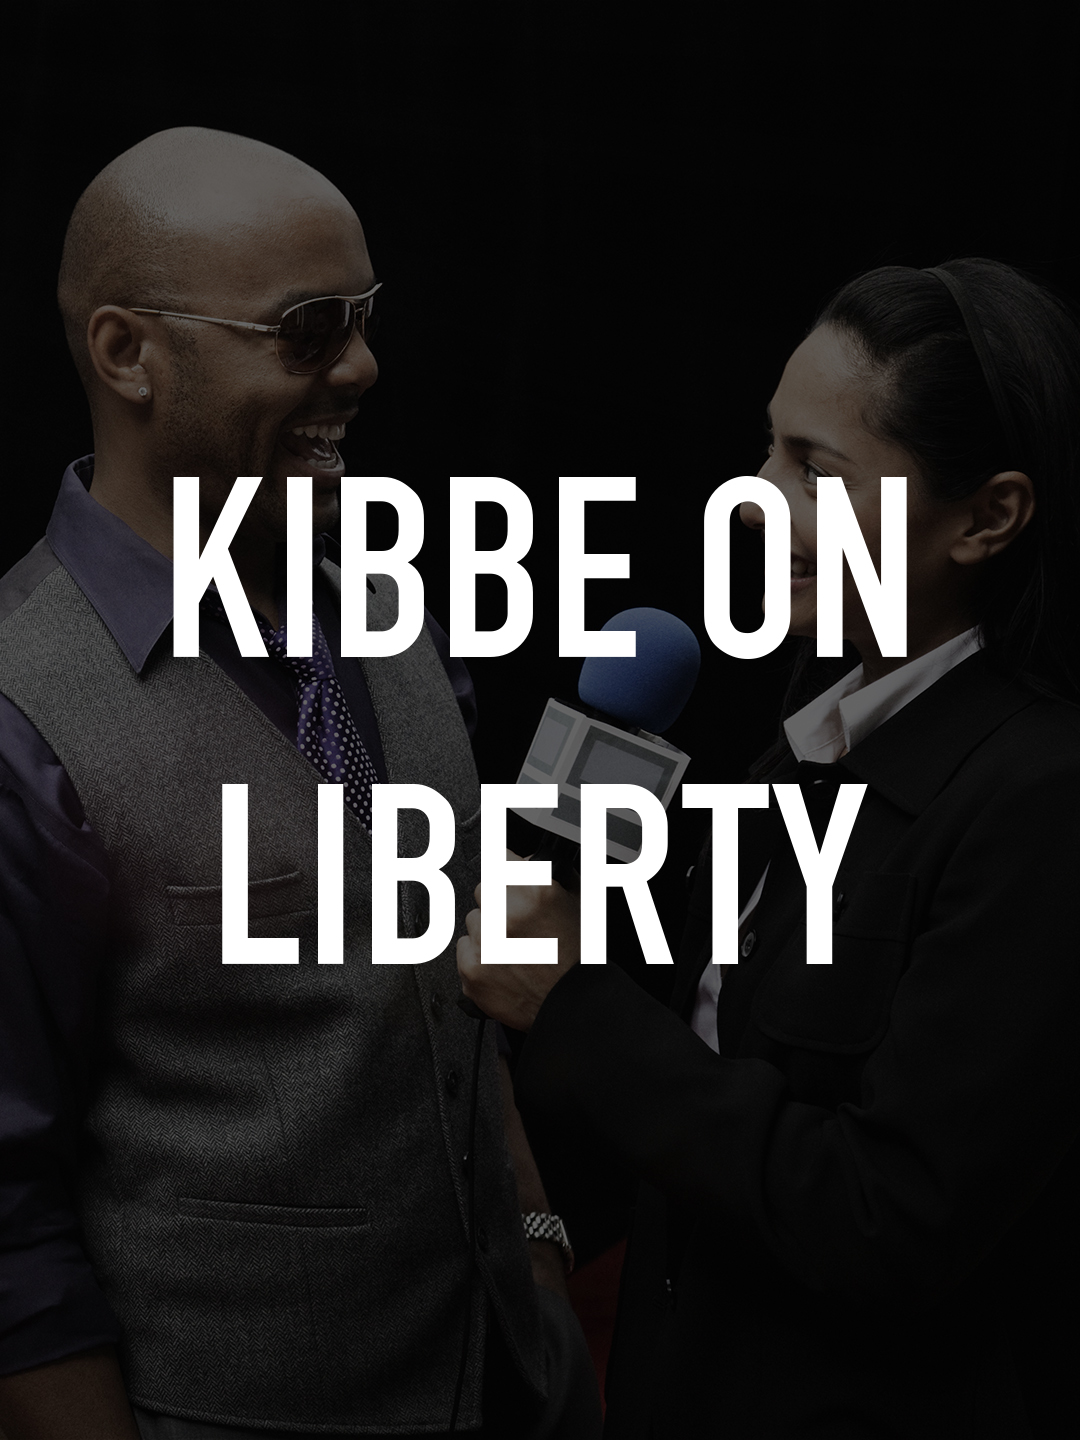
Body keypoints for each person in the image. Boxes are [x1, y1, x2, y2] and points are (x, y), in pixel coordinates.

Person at [0, 128, 600, 1439]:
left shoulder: (394, 618)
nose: (364, 366)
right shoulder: (20, 712)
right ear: (127, 353)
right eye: (308, 329)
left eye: (365, 316)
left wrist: (539, 1251)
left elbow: (451, 1009)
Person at [457, 259, 1080, 1438]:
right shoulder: (802, 740)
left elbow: (890, 1220)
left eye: (816, 469)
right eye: (768, 448)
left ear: (989, 517)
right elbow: (705, 1110)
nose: (752, 498)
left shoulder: (1040, 800)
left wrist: (578, 1006)